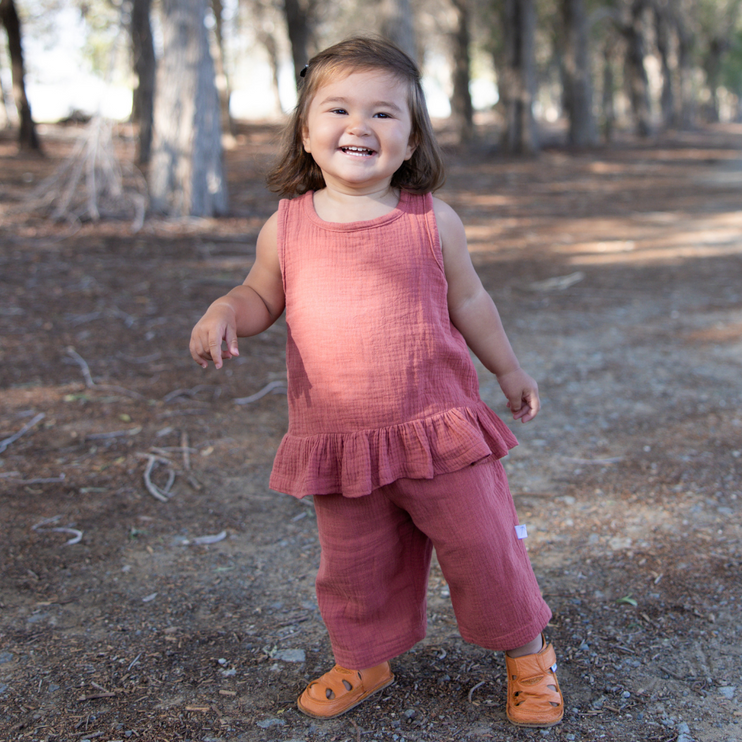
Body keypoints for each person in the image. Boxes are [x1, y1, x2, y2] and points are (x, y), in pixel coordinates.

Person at [190, 36, 564, 728]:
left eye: (384, 114)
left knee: (484, 548)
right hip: (340, 440)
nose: (359, 126)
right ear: (306, 133)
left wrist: (507, 369)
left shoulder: (432, 222)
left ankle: (527, 655)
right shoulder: (287, 228)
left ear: (411, 137)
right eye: (337, 109)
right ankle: (365, 657)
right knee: (355, 567)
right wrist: (224, 310)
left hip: (439, 430)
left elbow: (471, 302)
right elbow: (259, 297)